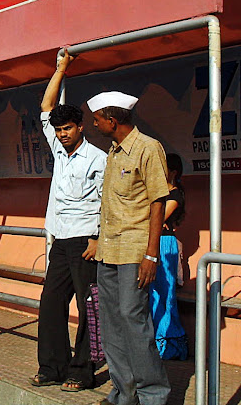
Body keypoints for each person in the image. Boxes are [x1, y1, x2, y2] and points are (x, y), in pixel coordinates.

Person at [88, 91, 171, 405]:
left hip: (135, 252)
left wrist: (151, 255)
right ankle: (124, 391)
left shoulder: (148, 148)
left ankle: (153, 395)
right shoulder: (113, 151)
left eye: (97, 119)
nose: (93, 124)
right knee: (111, 323)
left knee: (134, 321)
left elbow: (157, 203)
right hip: (108, 251)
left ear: (112, 119)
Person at [32, 51, 106, 392]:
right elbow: (46, 104)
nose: (61, 134)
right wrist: (61, 68)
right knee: (51, 305)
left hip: (87, 241)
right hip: (60, 240)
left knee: (88, 309)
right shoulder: (59, 151)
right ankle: (52, 367)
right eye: (58, 129)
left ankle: (82, 371)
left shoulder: (99, 159)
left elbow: (109, 204)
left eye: (67, 128)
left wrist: (99, 240)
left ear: (81, 127)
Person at [149, 153, 188, 360]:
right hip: (151, 242)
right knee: (152, 294)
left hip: (165, 245)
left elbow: (159, 217)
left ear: (172, 172)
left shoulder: (175, 195)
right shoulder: (156, 192)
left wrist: (154, 219)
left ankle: (168, 342)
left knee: (165, 293)